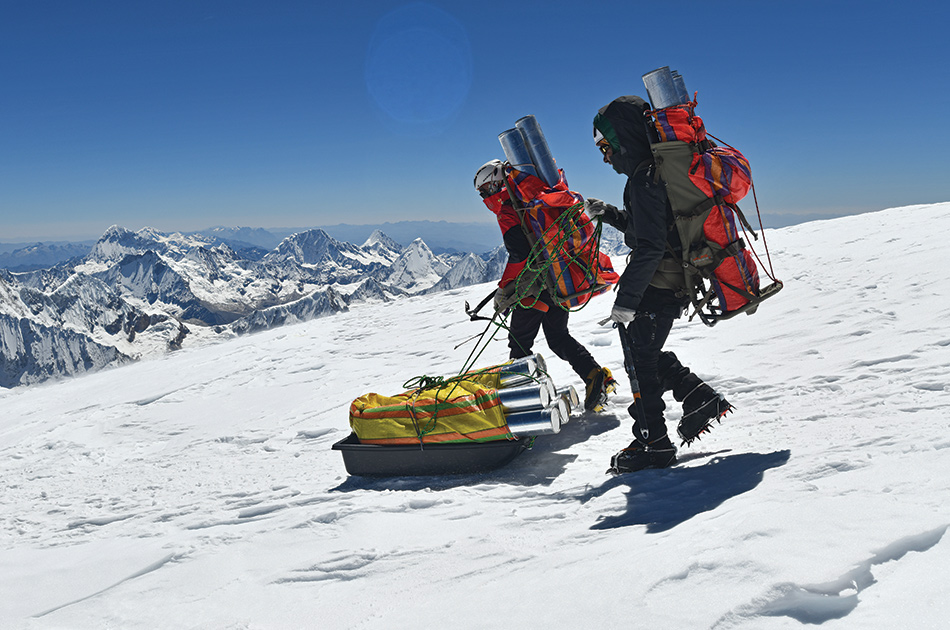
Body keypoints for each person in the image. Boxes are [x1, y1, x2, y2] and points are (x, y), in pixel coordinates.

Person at [586, 96, 732, 473]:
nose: (605, 157)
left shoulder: (644, 179)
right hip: (671, 282)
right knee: (644, 355)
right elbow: (652, 230)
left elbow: (650, 246)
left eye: (606, 147)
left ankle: (654, 443)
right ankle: (698, 397)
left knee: (640, 363)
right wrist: (613, 215)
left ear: (624, 139)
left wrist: (627, 302)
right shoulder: (655, 174)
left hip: (657, 285)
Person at [474, 159, 616, 411]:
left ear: (497, 185)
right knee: (558, 336)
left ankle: (521, 401)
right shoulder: (530, 201)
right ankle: (595, 375)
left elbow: (520, 254)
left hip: (534, 290)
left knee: (519, 343)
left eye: (485, 190)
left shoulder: (510, 210)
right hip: (559, 278)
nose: (485, 198)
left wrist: (505, 287)